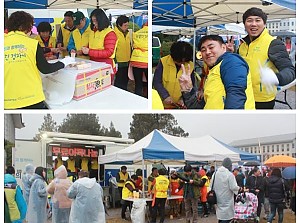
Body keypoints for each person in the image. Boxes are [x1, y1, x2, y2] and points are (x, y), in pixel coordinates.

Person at [4, 11, 75, 109]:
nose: (31, 31)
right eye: (30, 27)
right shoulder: (32, 43)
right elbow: (45, 69)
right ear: (22, 27)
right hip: (31, 98)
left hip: (6, 101)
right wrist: (63, 63)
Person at [238, 7, 295, 109]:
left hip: (262, 100)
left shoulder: (273, 43)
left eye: (258, 20)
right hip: (243, 95)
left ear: (264, 24)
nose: (253, 24)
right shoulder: (242, 45)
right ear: (245, 24)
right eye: (249, 20)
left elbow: (290, 70)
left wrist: (277, 78)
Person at [179, 35, 255, 109]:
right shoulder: (213, 70)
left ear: (223, 47)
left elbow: (236, 95)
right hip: (214, 120)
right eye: (203, 50)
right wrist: (188, 91)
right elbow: (203, 107)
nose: (207, 52)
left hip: (230, 120)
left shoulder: (231, 62)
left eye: (211, 47)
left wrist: (230, 120)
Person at [153, 41, 195, 109]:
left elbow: (191, 86)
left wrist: (183, 99)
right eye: (179, 61)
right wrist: (165, 96)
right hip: (161, 104)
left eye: (184, 62)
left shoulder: (191, 66)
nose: (181, 63)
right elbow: (157, 82)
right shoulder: (163, 62)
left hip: (178, 107)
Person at [82, 8, 118, 83]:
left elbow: (108, 52)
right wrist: (85, 49)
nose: (94, 23)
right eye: (93, 21)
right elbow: (92, 46)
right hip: (93, 64)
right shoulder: (93, 31)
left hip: (106, 65)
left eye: (95, 21)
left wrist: (89, 51)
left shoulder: (110, 33)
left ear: (101, 20)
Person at [212, 158, 240, 223]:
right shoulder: (230, 175)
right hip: (227, 200)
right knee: (227, 218)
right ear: (229, 166)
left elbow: (211, 186)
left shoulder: (215, 174)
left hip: (218, 199)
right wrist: (239, 189)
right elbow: (234, 187)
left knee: (220, 217)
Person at [130, 22, 148, 97]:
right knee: (148, 83)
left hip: (135, 59)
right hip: (146, 60)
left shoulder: (136, 33)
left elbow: (132, 45)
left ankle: (138, 100)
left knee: (138, 83)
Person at [114, 15, 131, 91]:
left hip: (127, 61)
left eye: (127, 25)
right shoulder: (114, 34)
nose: (126, 27)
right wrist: (115, 61)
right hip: (119, 62)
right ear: (119, 25)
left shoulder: (128, 33)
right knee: (119, 82)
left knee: (125, 81)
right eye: (125, 25)